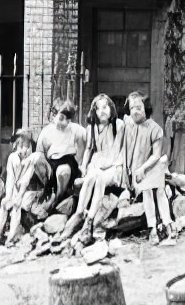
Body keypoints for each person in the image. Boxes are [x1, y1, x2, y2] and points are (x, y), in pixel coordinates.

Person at [63, 94, 125, 248]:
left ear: (111, 109)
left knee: (100, 177)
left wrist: (103, 165)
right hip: (97, 164)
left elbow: (116, 150)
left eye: (105, 107)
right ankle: (79, 213)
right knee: (92, 176)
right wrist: (84, 166)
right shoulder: (92, 128)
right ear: (94, 112)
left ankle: (90, 219)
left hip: (114, 165)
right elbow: (89, 149)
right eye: (98, 108)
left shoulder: (118, 125)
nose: (102, 111)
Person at [121, 92, 176, 247]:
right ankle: (152, 227)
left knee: (158, 189)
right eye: (132, 108)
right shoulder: (128, 125)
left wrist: (143, 169)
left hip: (152, 167)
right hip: (137, 173)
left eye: (139, 107)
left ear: (146, 108)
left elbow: (156, 155)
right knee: (146, 190)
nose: (135, 111)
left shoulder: (155, 129)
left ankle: (167, 224)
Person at [35, 97, 86, 207]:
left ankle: (59, 197)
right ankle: (47, 189)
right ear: (54, 115)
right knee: (35, 158)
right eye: (61, 118)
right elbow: (40, 151)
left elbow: (87, 140)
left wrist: (80, 161)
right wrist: (46, 166)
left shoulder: (76, 129)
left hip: (68, 163)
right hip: (51, 164)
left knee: (64, 171)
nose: (65, 122)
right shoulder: (47, 131)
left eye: (68, 120)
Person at [0, 128, 37, 245]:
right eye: (19, 143)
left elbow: (26, 180)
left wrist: (18, 196)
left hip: (29, 191)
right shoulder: (12, 157)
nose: (21, 146)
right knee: (4, 203)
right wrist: (8, 195)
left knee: (17, 205)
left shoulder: (32, 159)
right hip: (16, 189)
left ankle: (12, 236)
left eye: (24, 143)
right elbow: (10, 178)